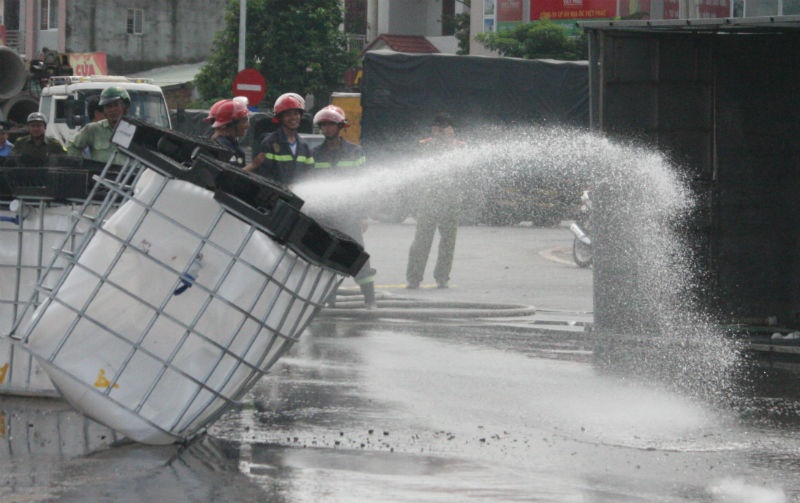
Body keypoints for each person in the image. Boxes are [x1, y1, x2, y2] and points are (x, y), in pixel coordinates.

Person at [310, 105, 377, 308]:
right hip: (325, 217)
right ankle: (329, 301)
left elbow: (363, 185)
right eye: (323, 125)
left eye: (331, 124)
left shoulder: (355, 152)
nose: (327, 129)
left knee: (358, 257)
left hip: (349, 215)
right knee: (326, 258)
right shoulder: (314, 154)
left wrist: (363, 214)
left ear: (341, 126)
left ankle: (370, 300)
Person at [405, 112, 465, 289]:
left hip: (451, 198)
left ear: (450, 128)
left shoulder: (459, 147)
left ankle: (442, 277)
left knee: (448, 241)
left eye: (443, 126)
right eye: (435, 126)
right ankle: (414, 277)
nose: (437, 130)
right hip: (429, 197)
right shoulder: (425, 145)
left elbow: (462, 168)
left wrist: (451, 144)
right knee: (422, 239)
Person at [252, 92, 314, 186]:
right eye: (288, 114)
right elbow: (264, 175)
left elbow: (310, 172)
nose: (293, 118)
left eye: (296, 114)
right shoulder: (270, 143)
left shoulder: (303, 145)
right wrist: (283, 188)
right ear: (280, 118)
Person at [68, 85, 131, 165]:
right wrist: (81, 165)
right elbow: (72, 145)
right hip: (100, 176)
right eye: (108, 106)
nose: (112, 110)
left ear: (125, 107)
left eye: (116, 105)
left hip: (131, 177)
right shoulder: (93, 129)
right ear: (103, 110)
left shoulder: (135, 131)